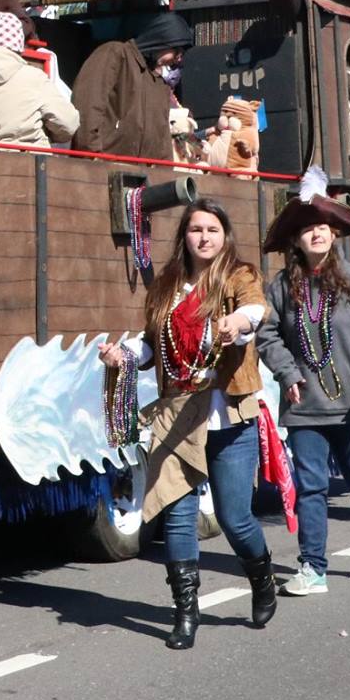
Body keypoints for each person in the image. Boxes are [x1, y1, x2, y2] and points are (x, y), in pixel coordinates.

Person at [96, 200, 276, 647]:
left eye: (213, 229)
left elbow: (256, 310)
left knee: (234, 518)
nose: (204, 237)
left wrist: (237, 321)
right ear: (185, 237)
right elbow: (151, 345)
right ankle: (185, 613)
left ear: (224, 235)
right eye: (196, 229)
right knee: (178, 515)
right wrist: (122, 356)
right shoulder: (167, 287)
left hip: (228, 414)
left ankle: (262, 579)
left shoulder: (239, 275)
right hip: (177, 415)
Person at [254, 169, 350, 595]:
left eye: (321, 227)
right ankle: (313, 567)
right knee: (311, 487)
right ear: (296, 241)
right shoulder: (281, 287)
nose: (315, 233)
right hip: (305, 406)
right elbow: (266, 335)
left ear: (333, 233)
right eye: (306, 229)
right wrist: (287, 372)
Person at [72, 12, 193, 161]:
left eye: (182, 54)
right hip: (104, 166)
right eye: (177, 51)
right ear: (163, 39)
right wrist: (91, 156)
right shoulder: (116, 55)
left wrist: (164, 171)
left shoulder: (159, 85)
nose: (178, 59)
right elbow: (88, 105)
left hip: (145, 172)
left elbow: (162, 140)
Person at [0, 12, 77, 147]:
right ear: (20, 45)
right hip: (26, 158)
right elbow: (68, 124)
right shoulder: (34, 78)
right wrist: (48, 133)